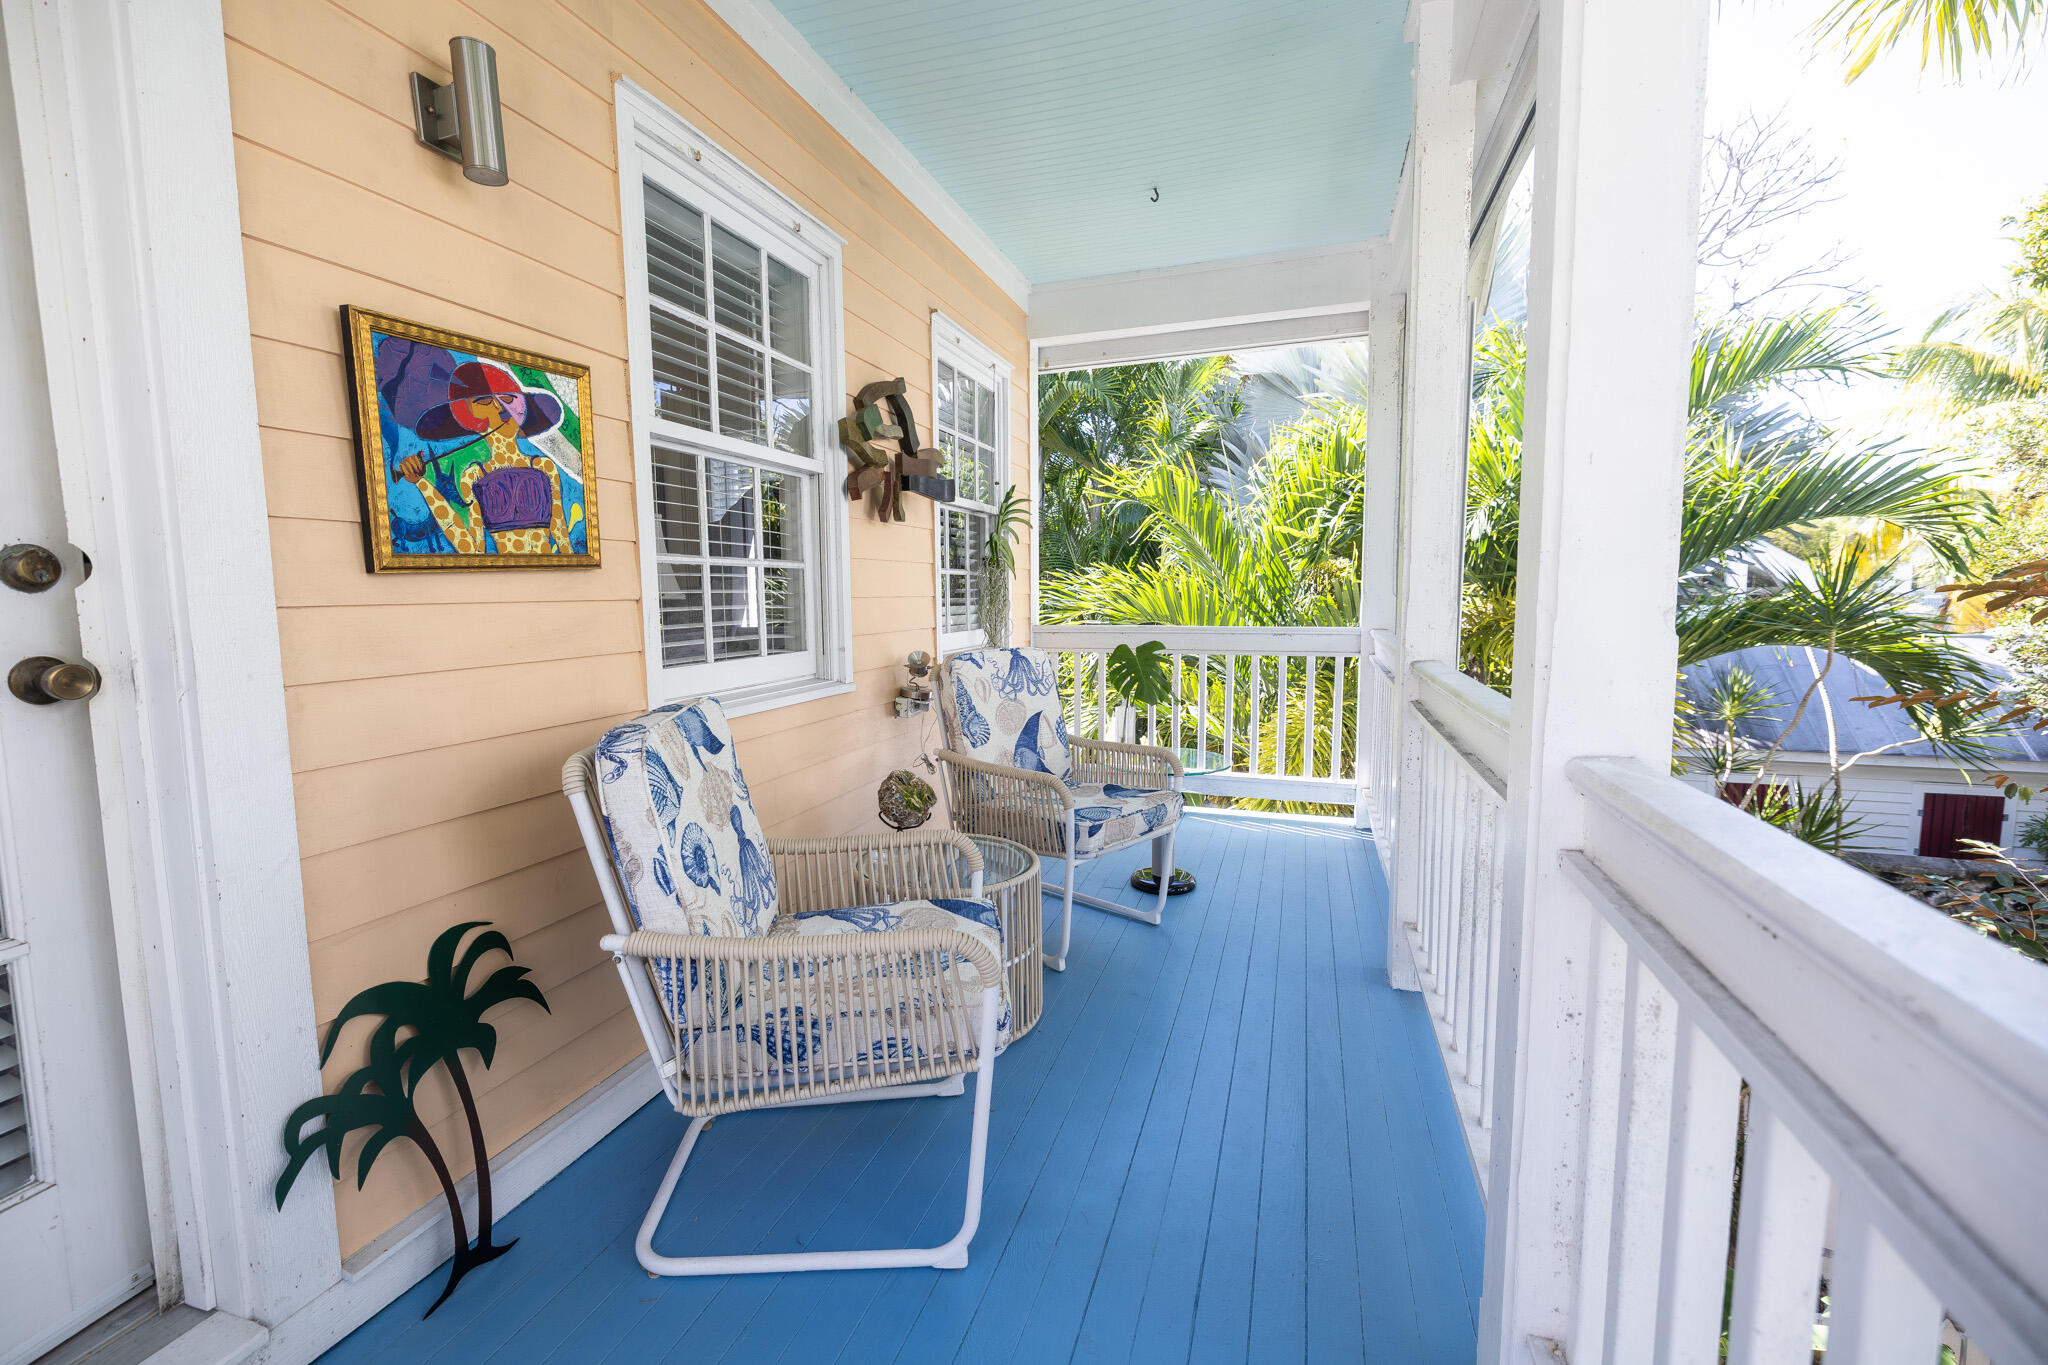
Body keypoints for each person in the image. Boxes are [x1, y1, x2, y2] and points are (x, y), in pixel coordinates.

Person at [397, 360, 575, 555]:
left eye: (508, 398)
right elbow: (473, 549)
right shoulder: (473, 476)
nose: (500, 409)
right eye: (484, 401)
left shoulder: (544, 467)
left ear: (522, 407)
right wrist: (422, 484)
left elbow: (561, 534)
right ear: (469, 417)